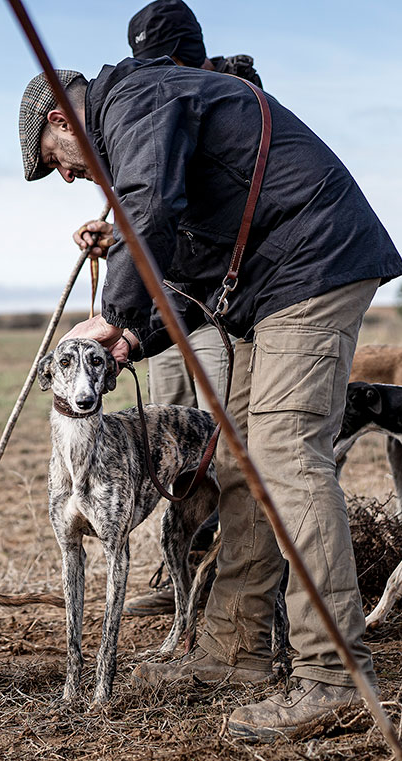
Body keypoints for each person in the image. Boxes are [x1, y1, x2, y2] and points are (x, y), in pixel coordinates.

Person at [19, 58, 402, 740]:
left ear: (60, 118)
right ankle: (238, 649)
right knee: (238, 460)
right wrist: (132, 338)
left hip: (311, 261)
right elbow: (182, 264)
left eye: (57, 163)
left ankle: (334, 677)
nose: (71, 179)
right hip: (267, 288)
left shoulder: (134, 100)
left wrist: (110, 310)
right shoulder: (138, 118)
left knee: (285, 456)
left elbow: (150, 207)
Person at [75, 0, 264, 618]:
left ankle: (231, 582)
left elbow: (170, 206)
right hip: (169, 311)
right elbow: (159, 213)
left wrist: (122, 309)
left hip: (219, 310)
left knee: (225, 447)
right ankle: (180, 568)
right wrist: (120, 241)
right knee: (165, 430)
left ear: (185, 53)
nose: (150, 70)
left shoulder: (226, 91)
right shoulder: (151, 104)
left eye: (160, 58)